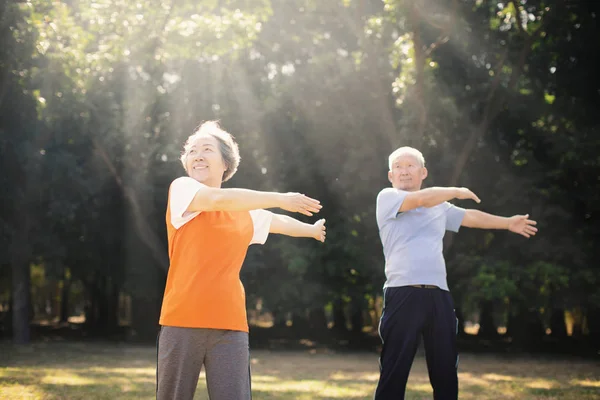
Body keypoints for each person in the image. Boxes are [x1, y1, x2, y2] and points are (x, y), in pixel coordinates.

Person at [156, 121, 327, 400]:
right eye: (192, 151)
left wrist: (310, 230)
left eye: (207, 149)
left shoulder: (243, 210)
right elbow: (214, 200)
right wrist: (280, 197)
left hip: (230, 325)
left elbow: (275, 221)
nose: (197, 155)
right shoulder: (182, 190)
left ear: (226, 163)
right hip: (182, 319)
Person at [374, 146, 538, 400]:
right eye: (398, 166)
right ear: (390, 175)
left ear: (423, 172)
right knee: (395, 370)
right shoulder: (388, 197)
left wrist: (507, 223)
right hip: (402, 293)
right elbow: (421, 199)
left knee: (445, 370)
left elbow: (470, 216)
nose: (403, 171)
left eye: (410, 166)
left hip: (439, 296)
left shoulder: (439, 207)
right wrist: (456, 191)